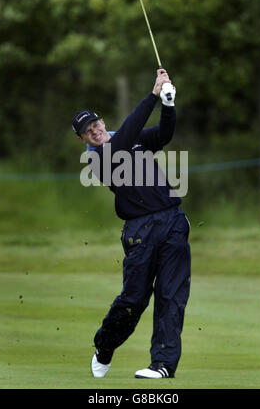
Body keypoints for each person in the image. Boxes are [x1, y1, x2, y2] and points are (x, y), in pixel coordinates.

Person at [72, 69, 191, 379]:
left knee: (171, 294)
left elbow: (164, 136)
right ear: (83, 139)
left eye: (96, 123)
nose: (95, 131)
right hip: (139, 232)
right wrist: (152, 96)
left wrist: (168, 105)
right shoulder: (97, 159)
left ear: (102, 122)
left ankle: (162, 364)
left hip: (172, 221)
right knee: (134, 299)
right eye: (88, 130)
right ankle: (105, 344)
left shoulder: (132, 137)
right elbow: (123, 139)